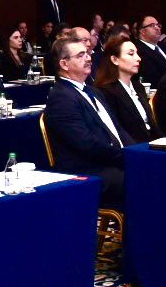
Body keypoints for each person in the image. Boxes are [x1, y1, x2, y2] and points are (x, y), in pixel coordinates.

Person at [42, 33, 124, 207]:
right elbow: (86, 143)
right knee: (141, 177)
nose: (88, 58)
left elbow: (117, 130)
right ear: (64, 64)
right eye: (80, 55)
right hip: (87, 170)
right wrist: (124, 157)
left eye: (87, 53)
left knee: (155, 166)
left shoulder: (94, 92)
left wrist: (137, 152)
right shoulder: (61, 98)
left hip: (109, 161)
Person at [96, 33, 154, 146]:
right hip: (132, 148)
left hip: (151, 144)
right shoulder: (106, 92)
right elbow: (118, 131)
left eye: (137, 53)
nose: (138, 58)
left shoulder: (138, 87)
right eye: (131, 54)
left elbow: (152, 125)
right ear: (115, 59)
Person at [134, 16, 166, 86]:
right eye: (152, 25)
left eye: (158, 25)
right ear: (142, 31)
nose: (157, 28)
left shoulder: (165, 46)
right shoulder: (138, 50)